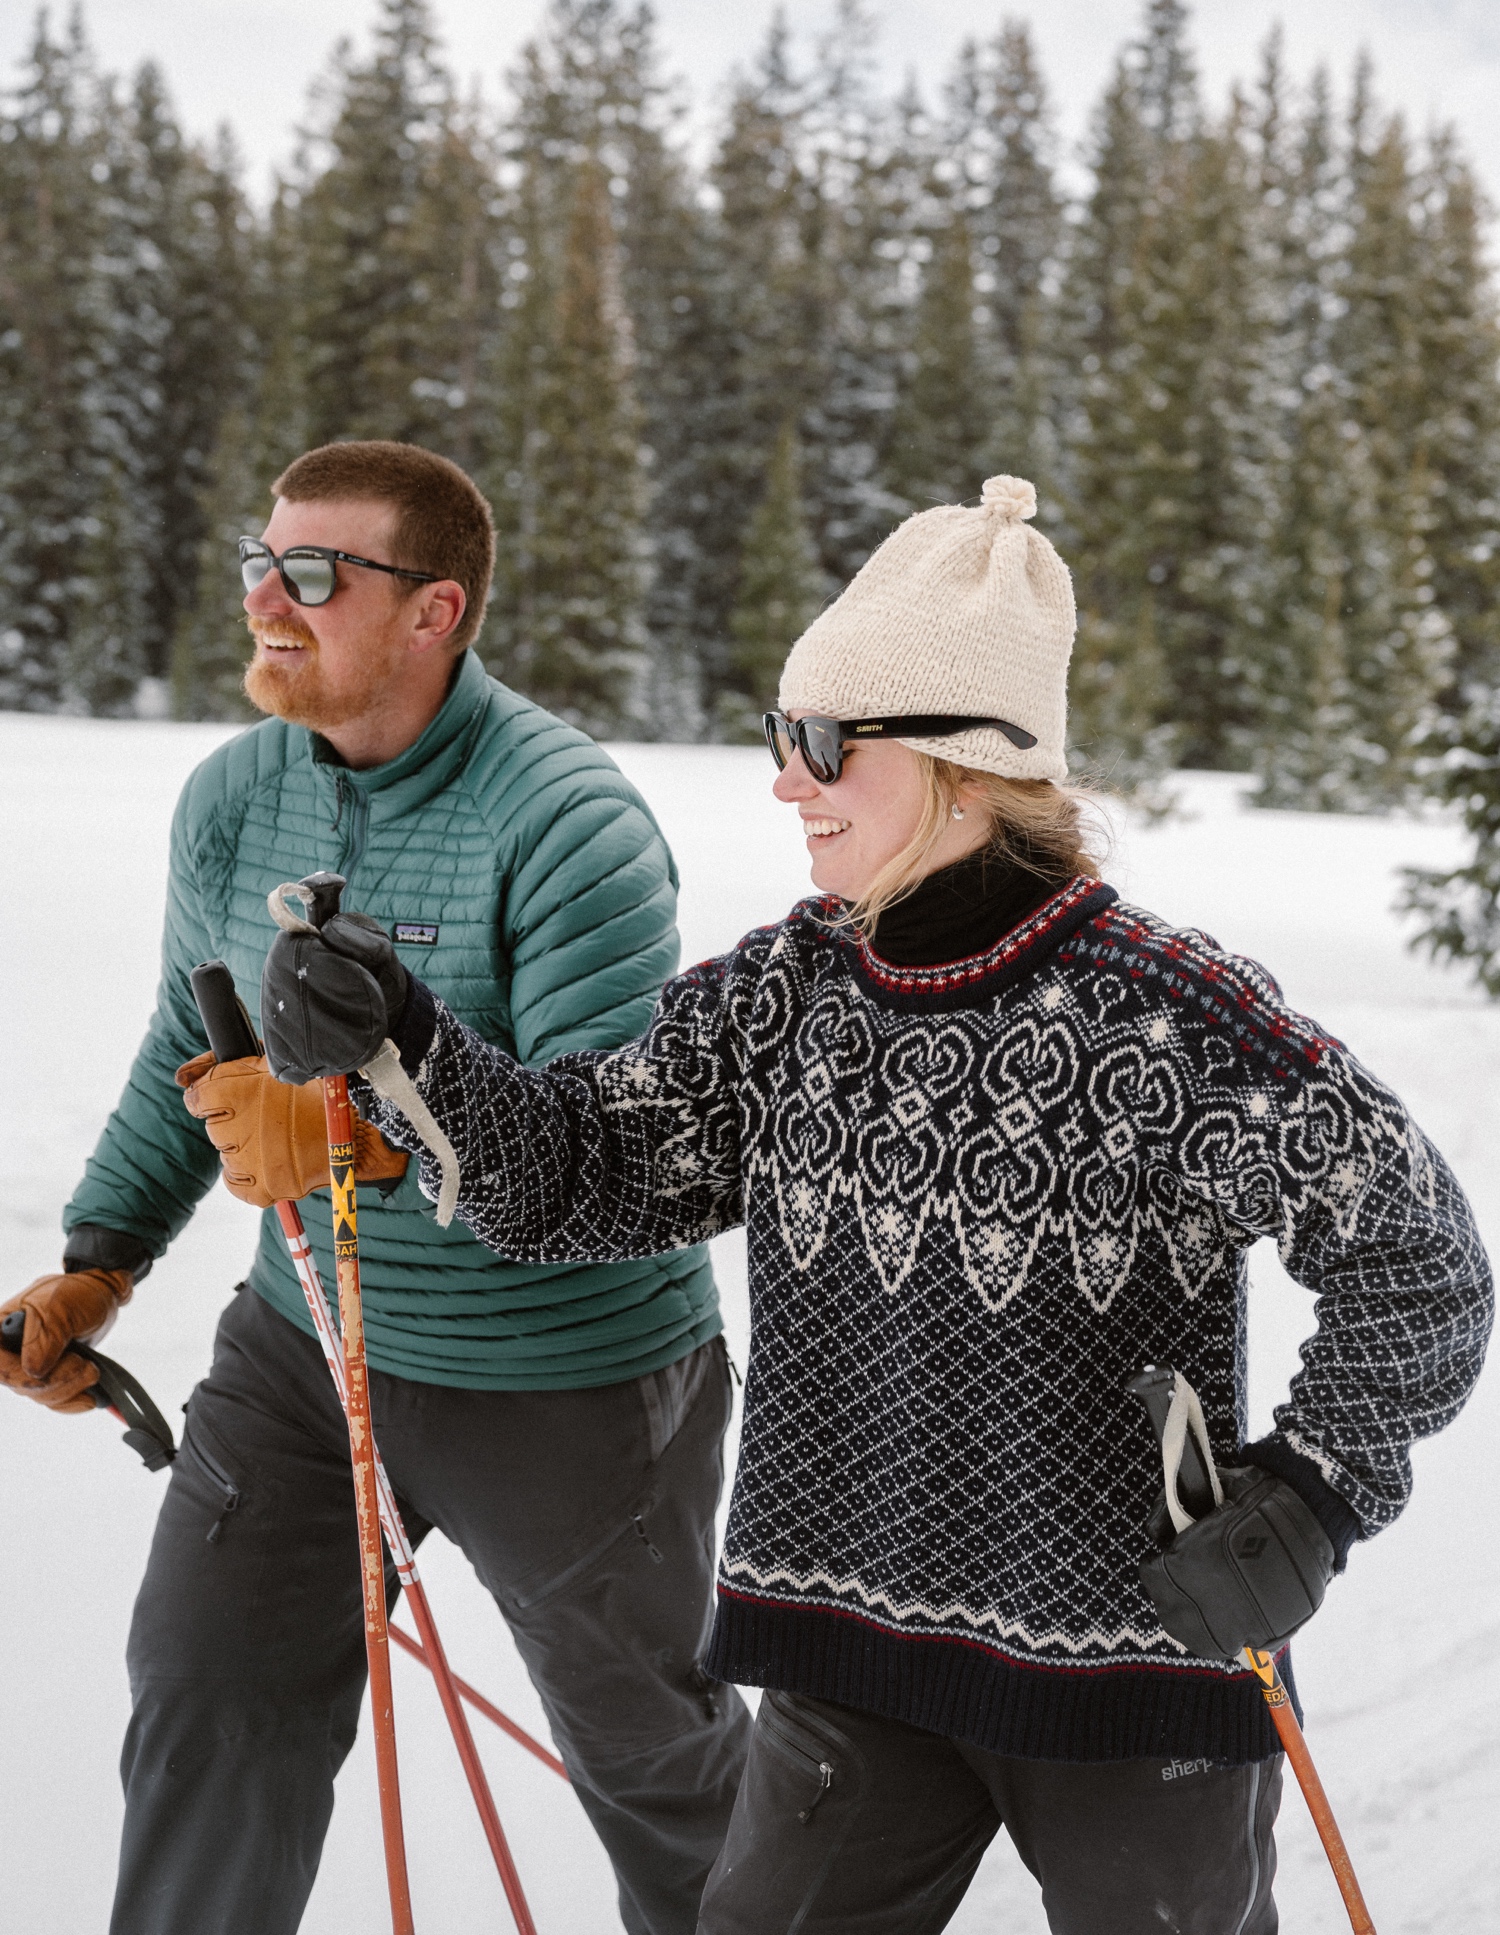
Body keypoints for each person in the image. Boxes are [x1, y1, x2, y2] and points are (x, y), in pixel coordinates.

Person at [264, 474, 1493, 1935]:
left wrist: (1314, 1490)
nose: (789, 779)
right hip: (849, 1656)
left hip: (1138, 1671)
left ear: (968, 768)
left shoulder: (1164, 1019)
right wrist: (403, 1029)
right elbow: (586, 1175)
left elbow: (1418, 1256)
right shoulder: (788, 994)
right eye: (783, 738)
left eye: (826, 744)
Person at [0, 441, 749, 1935]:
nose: (268, 600)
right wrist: (100, 1258)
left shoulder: (566, 826)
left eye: (317, 573)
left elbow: (596, 1146)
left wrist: (354, 1135)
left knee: (655, 1763)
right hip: (308, 1350)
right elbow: (181, 1039)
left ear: (434, 611)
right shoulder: (232, 794)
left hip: (570, 1388)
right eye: (257, 562)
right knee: (210, 1695)